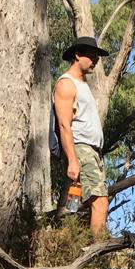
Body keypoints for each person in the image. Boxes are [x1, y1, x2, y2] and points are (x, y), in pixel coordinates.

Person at [54, 36, 109, 238]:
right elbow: (64, 125)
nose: (95, 61)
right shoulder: (66, 84)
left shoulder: (82, 84)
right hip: (81, 148)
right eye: (92, 56)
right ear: (77, 55)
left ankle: (69, 247)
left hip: (93, 151)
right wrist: (73, 160)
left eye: (97, 58)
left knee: (77, 207)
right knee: (100, 201)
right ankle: (98, 250)